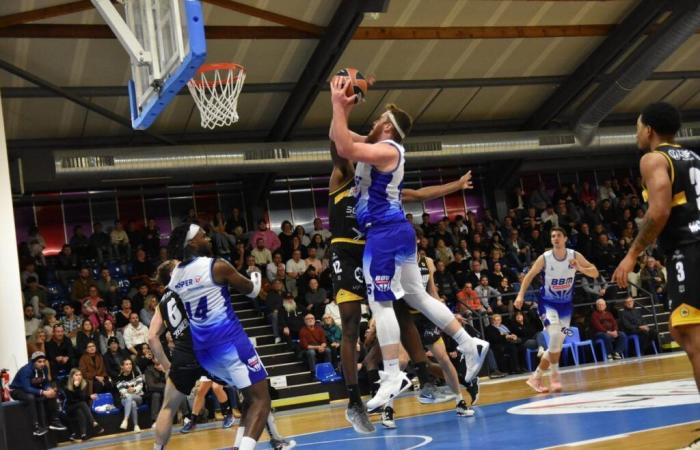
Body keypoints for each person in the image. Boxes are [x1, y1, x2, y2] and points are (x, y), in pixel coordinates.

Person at [328, 90, 486, 430]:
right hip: (399, 231)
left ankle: (392, 376)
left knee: (382, 304)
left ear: (387, 126)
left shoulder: (386, 151)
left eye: (377, 119)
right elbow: (339, 137)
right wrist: (341, 110)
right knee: (416, 296)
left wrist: (338, 105)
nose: (372, 122)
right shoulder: (384, 149)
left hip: (383, 234)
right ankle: (468, 343)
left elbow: (344, 147)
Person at [611, 104, 700, 447]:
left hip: (688, 250)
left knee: (692, 339)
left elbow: (659, 210)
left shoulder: (653, 159)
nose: (636, 133)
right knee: (683, 332)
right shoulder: (691, 156)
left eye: (637, 126)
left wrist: (632, 254)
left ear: (648, 130)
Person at [148, 260, 295, 450]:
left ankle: (157, 448)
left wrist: (168, 367)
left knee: (167, 408)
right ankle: (274, 440)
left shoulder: (162, 303)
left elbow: (152, 337)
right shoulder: (188, 287)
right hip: (208, 348)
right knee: (256, 393)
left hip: (182, 355)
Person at [166, 223, 272, 450]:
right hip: (230, 344)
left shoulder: (175, 275)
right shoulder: (217, 266)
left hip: (204, 353)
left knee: (249, 399)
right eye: (204, 236)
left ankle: (237, 446)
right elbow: (252, 291)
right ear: (192, 242)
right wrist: (256, 275)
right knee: (262, 399)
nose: (209, 239)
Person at [515, 226, 599, 393]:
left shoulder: (574, 255)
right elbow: (529, 275)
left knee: (556, 345)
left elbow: (595, 273)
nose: (555, 238)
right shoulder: (545, 257)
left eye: (559, 235)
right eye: (553, 236)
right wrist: (520, 295)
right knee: (554, 334)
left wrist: (579, 268)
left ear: (565, 238)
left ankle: (536, 377)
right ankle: (555, 377)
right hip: (547, 302)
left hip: (565, 305)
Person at [9, 352, 67, 436]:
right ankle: (36, 427)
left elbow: (46, 382)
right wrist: (43, 392)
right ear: (33, 362)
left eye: (44, 361)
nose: (42, 364)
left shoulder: (45, 368)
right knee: (30, 397)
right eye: (39, 361)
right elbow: (26, 388)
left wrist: (48, 389)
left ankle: (54, 421)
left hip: (34, 388)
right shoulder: (26, 370)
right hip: (17, 390)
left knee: (52, 393)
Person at [63, 368, 104, 441]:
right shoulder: (67, 386)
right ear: (72, 376)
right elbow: (71, 400)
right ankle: (94, 423)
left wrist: (79, 389)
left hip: (78, 406)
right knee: (82, 404)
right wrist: (75, 387)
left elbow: (81, 397)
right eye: (76, 375)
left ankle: (83, 434)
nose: (79, 377)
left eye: (80, 375)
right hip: (69, 407)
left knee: (80, 412)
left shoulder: (83, 384)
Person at [115, 359, 144, 432]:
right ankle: (136, 426)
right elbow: (121, 391)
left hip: (138, 397)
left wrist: (134, 390)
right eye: (127, 364)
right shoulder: (118, 378)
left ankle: (125, 419)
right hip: (125, 399)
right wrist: (127, 391)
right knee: (132, 403)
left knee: (130, 397)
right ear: (122, 366)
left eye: (130, 364)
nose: (129, 366)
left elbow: (140, 386)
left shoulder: (137, 374)